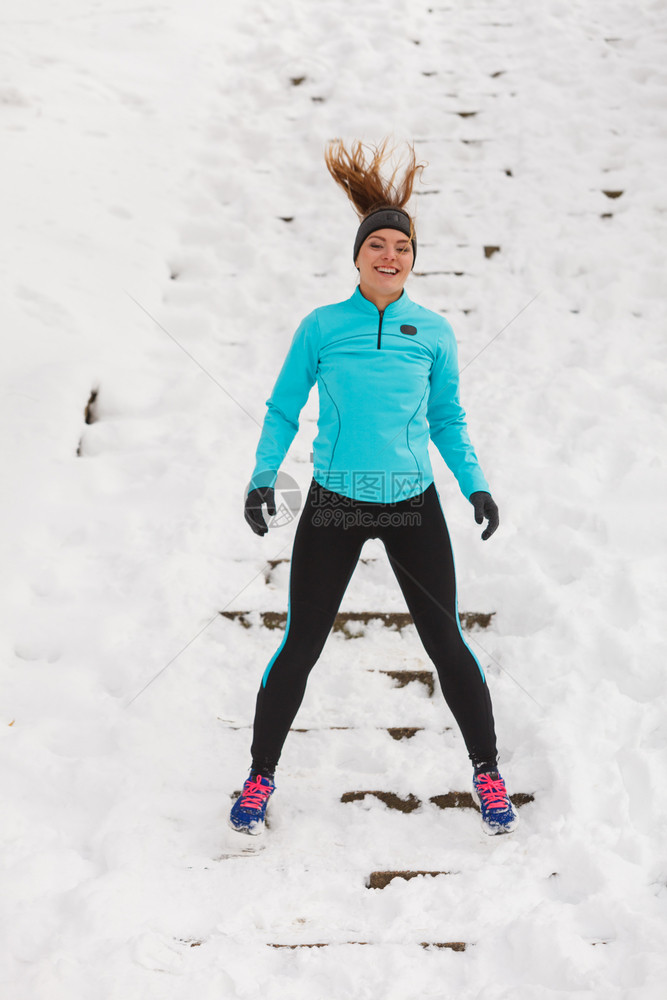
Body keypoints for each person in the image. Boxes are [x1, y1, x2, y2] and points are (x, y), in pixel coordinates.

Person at [229, 139, 518, 837]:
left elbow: (447, 417)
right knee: (300, 643)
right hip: (333, 502)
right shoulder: (322, 327)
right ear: (357, 255)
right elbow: (280, 408)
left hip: (411, 505)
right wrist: (263, 476)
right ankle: (258, 776)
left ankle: (486, 771)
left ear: (414, 259)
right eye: (377, 245)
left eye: (402, 247)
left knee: (445, 641)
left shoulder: (434, 332)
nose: (389, 256)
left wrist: (474, 484)